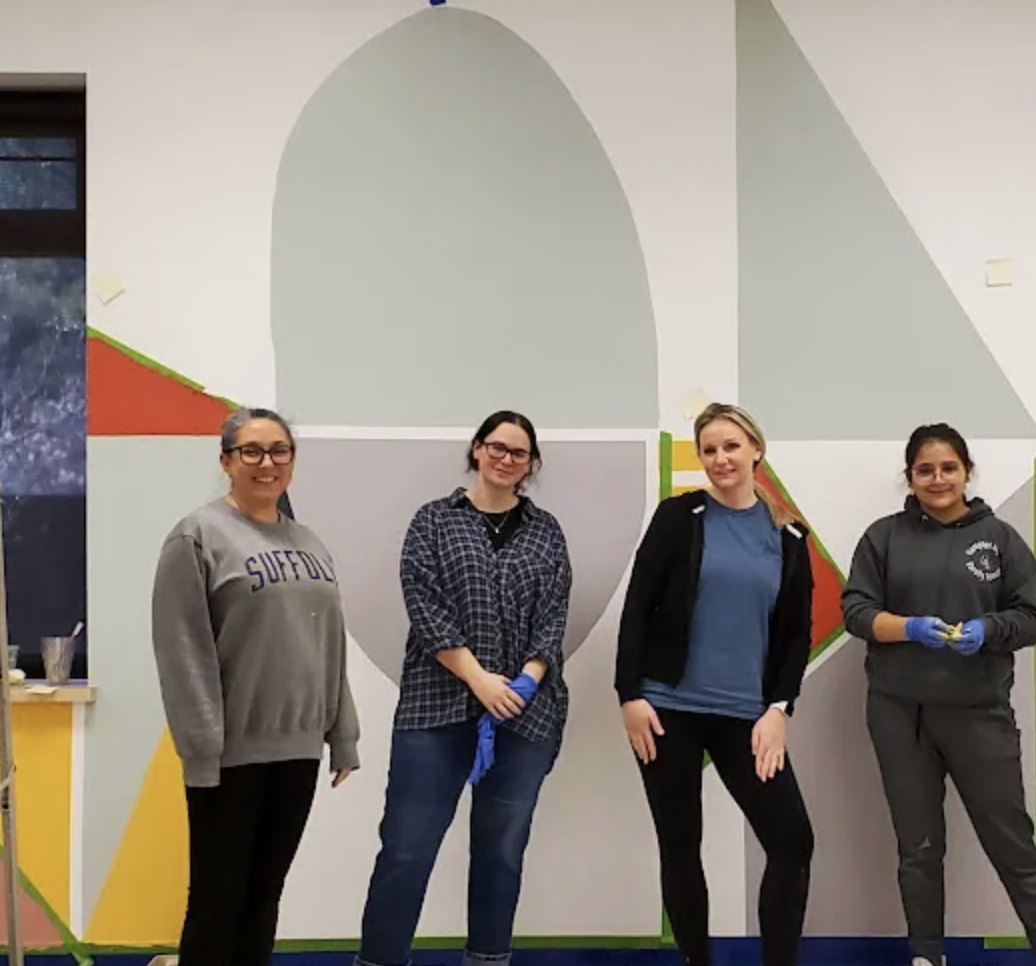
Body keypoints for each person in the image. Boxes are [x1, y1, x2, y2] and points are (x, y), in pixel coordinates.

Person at [841, 423, 1036, 966]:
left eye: (948, 467)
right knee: (917, 848)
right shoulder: (884, 537)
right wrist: (910, 627)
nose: (937, 478)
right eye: (925, 469)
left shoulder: (1000, 539)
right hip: (899, 715)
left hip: (979, 716)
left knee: (1013, 846)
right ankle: (927, 956)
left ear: (967, 471)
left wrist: (988, 631)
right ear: (910, 476)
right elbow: (856, 611)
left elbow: (1031, 618)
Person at [356, 410, 572, 966]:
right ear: (476, 449)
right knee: (406, 850)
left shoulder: (546, 532)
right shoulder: (433, 521)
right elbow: (424, 606)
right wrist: (479, 679)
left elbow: (553, 618)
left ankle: (488, 961)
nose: (505, 459)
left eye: (518, 453)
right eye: (496, 447)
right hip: (436, 708)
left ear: (530, 464)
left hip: (525, 717)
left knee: (501, 851)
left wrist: (524, 682)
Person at [151, 406, 360, 966]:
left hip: (299, 749)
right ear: (226, 461)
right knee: (218, 902)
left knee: (264, 897)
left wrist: (343, 734)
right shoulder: (197, 536)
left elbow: (329, 645)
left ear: (292, 462)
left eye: (279, 451)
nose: (267, 463)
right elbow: (182, 649)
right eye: (252, 451)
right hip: (230, 753)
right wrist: (202, 748)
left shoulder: (310, 542)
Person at [615, 402, 815, 966]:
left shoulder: (790, 536)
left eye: (731, 446)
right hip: (666, 710)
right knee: (681, 847)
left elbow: (794, 636)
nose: (720, 458)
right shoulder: (679, 517)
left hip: (746, 715)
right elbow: (637, 608)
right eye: (709, 450)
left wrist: (779, 708)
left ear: (756, 449)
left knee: (792, 840)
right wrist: (629, 696)